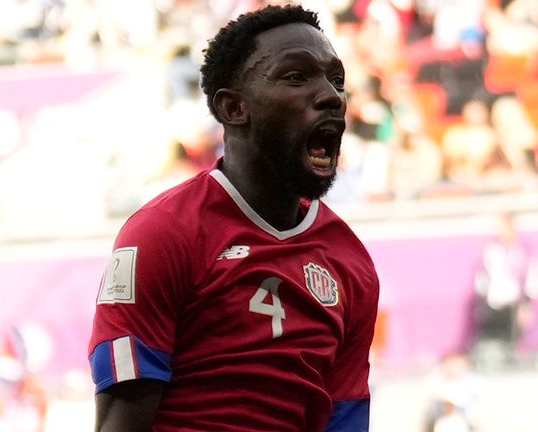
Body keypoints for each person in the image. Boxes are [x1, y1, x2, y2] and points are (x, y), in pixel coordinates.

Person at [88, 5, 380, 432]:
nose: (332, 96)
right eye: (296, 77)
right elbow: (120, 424)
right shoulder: (163, 234)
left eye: (336, 80)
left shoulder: (352, 265)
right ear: (233, 108)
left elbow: (344, 422)